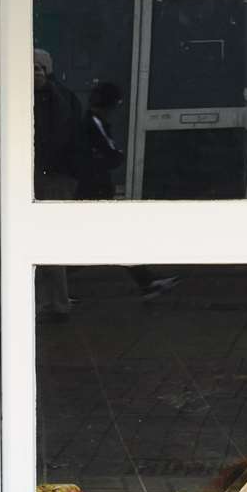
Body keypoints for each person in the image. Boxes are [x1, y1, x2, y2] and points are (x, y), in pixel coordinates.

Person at [77, 82, 178, 300]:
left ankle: (146, 281)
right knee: (111, 239)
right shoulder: (95, 124)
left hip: (92, 188)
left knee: (109, 239)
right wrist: (116, 156)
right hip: (97, 189)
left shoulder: (88, 122)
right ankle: (146, 281)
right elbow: (111, 154)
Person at [32, 49, 88, 322]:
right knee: (43, 240)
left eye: (38, 68)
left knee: (46, 240)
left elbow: (54, 138)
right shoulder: (58, 96)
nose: (33, 73)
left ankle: (55, 301)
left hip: (52, 176)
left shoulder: (54, 99)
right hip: (53, 175)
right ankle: (51, 300)